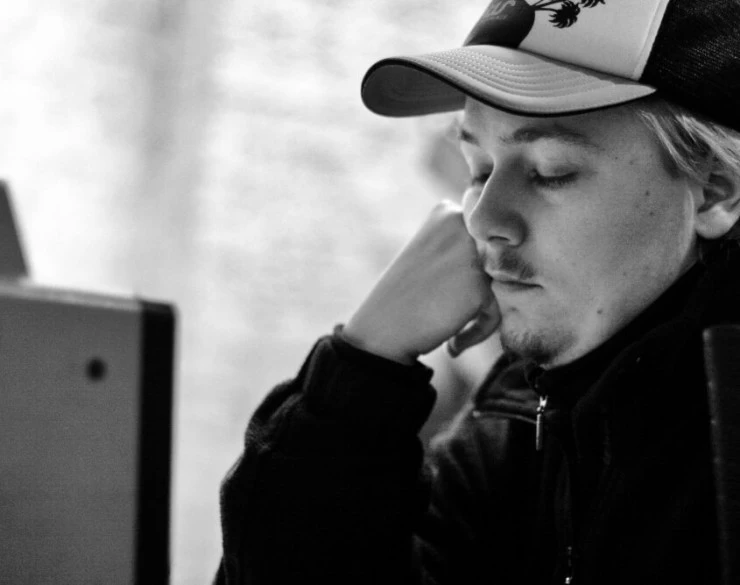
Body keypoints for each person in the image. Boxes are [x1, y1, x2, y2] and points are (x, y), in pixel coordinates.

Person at [213, 1, 740, 583]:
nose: (483, 218)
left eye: (550, 170)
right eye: (479, 169)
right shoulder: (524, 411)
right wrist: (365, 363)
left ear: (717, 190)